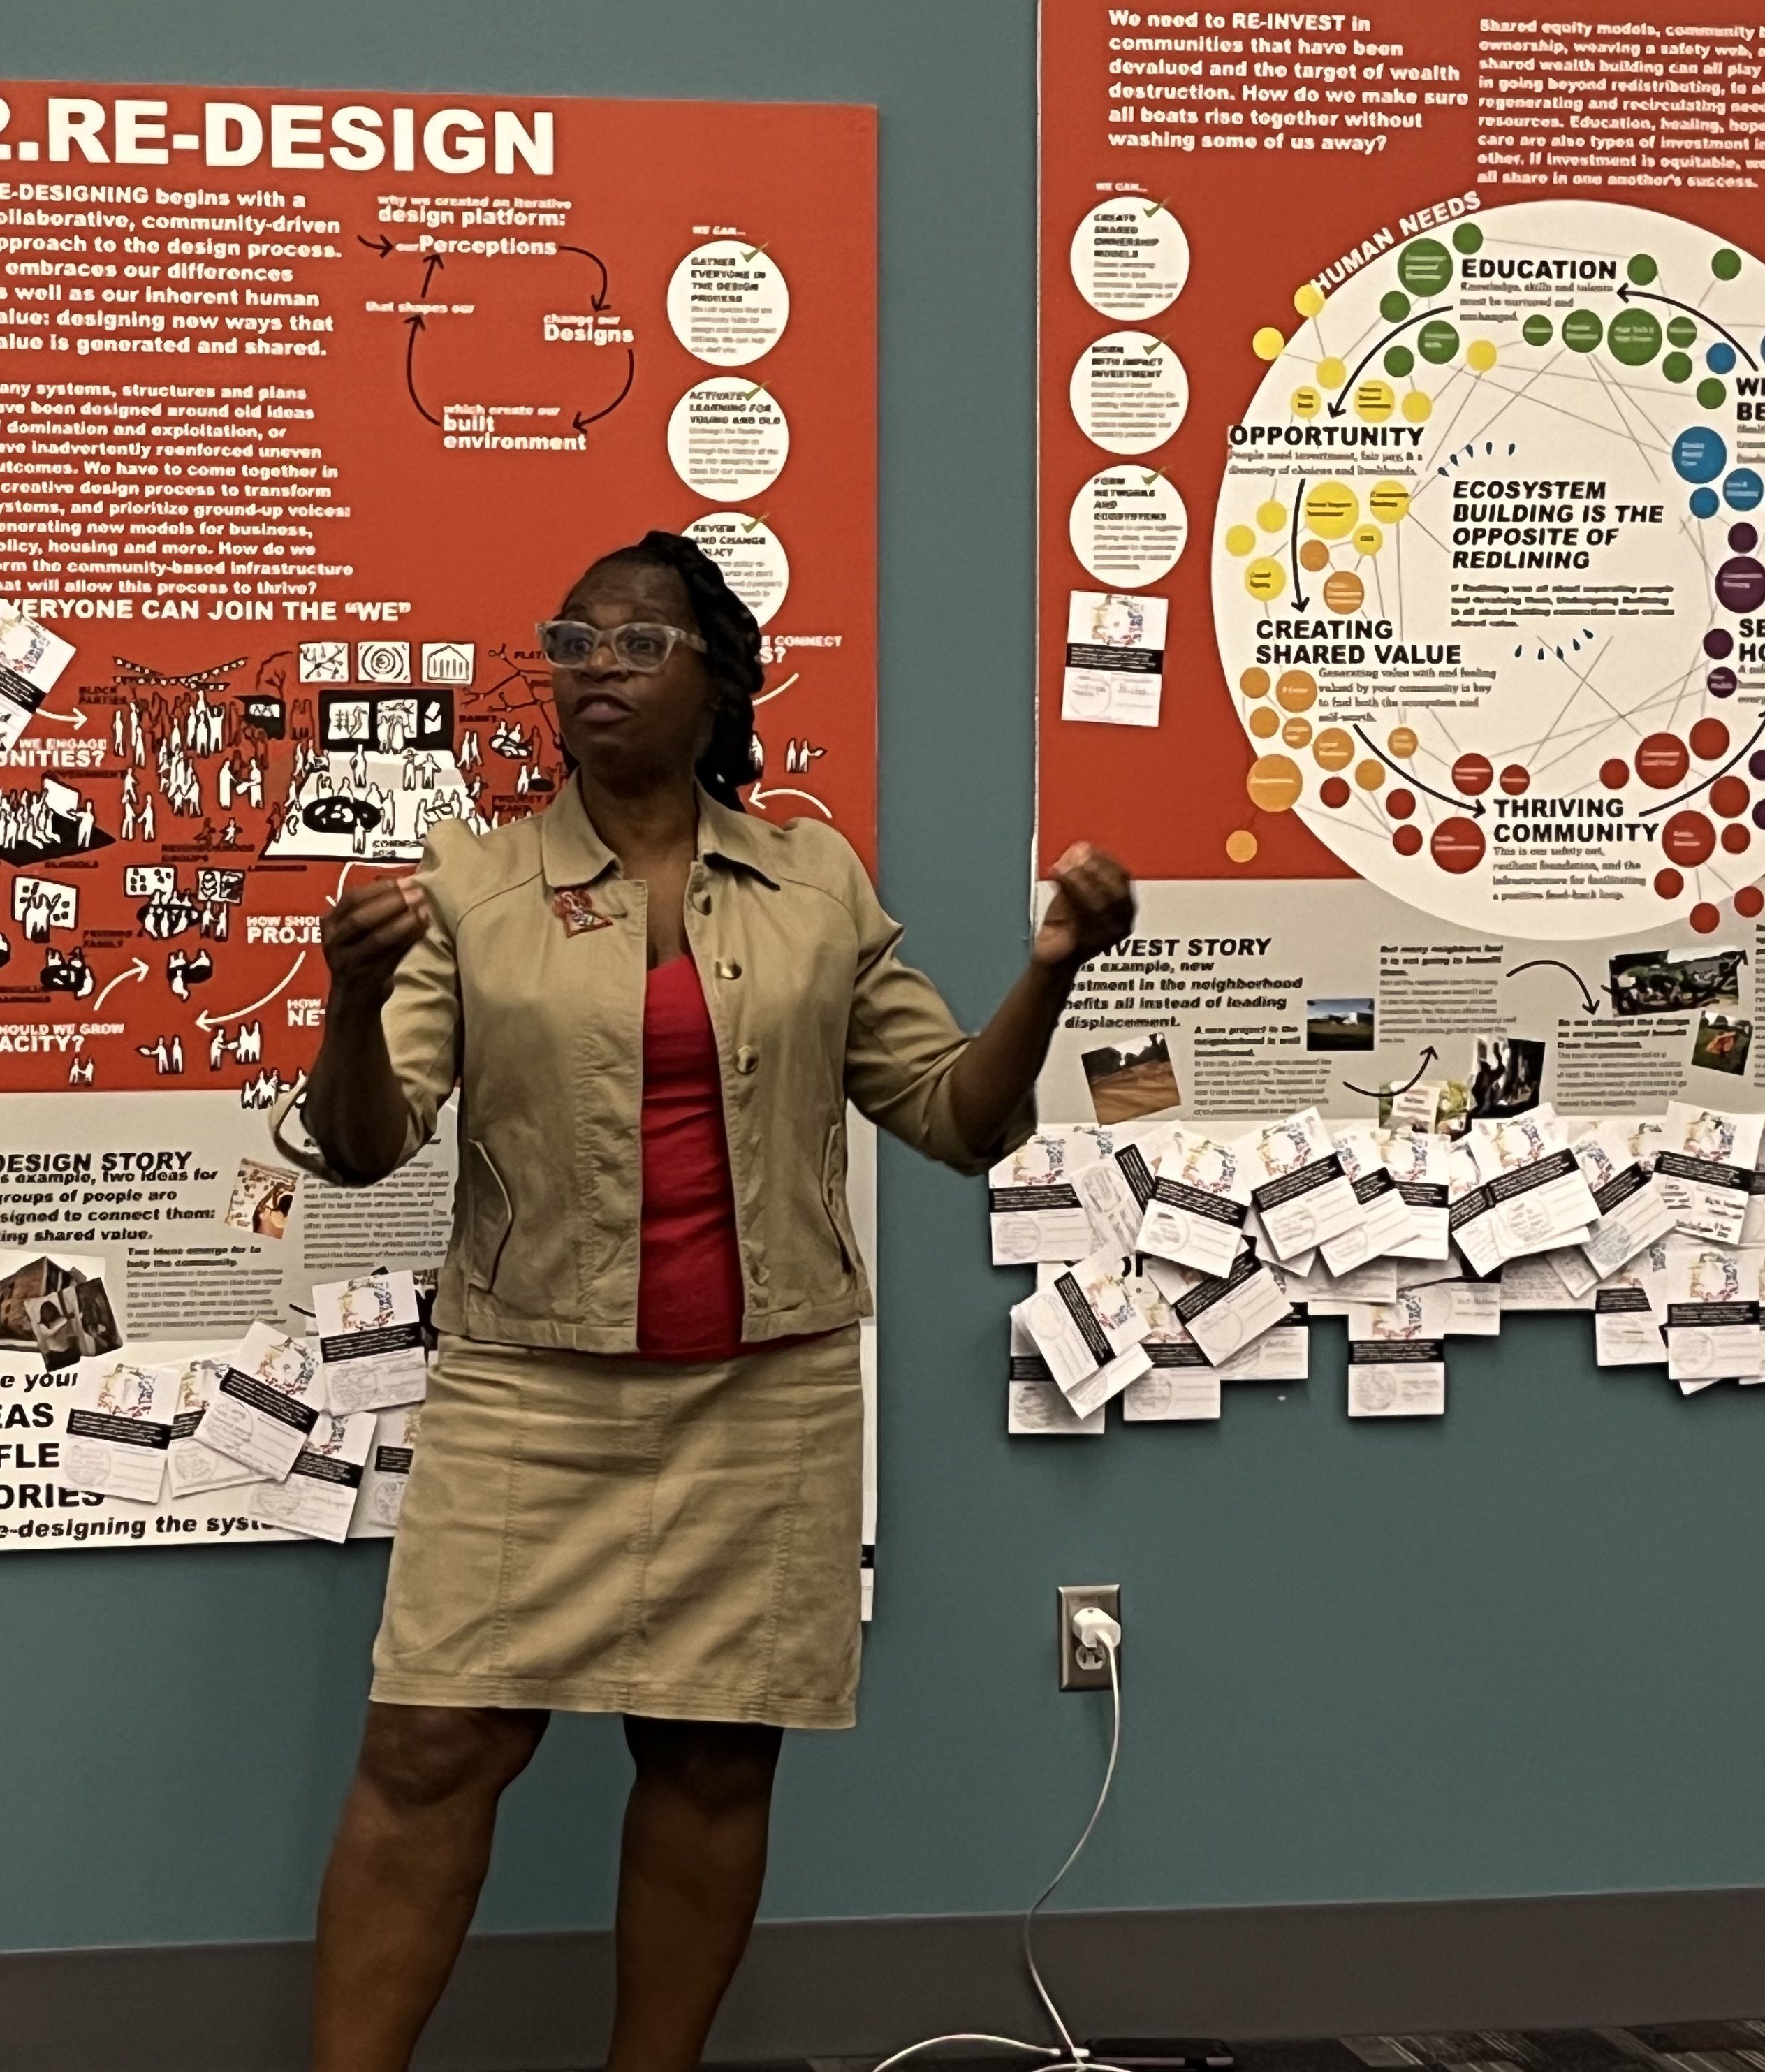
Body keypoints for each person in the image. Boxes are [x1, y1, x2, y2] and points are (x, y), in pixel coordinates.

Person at [283, 531, 1135, 2072]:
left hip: (767, 1392)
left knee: (714, 1763)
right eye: (572, 640)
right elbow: (361, 1147)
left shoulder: (813, 883)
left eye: (634, 644)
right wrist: (348, 1001)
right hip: (528, 1385)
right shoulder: (470, 885)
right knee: (427, 1750)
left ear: (718, 678)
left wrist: (1054, 972)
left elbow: (959, 1117)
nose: (592, 669)